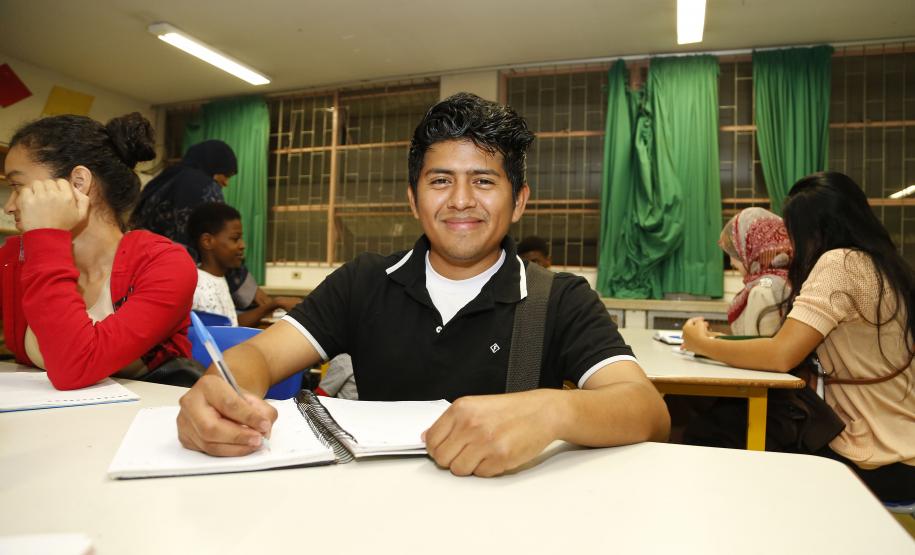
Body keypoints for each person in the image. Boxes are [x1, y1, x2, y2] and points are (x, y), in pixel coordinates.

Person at [176, 92, 670, 476]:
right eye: (439, 181)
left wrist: (553, 412)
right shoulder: (365, 281)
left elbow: (646, 409)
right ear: (413, 200)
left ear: (518, 201)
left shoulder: (557, 297)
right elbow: (260, 356)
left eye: (483, 180)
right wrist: (220, 390)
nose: (459, 200)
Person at [682, 172, 915, 501]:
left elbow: (781, 355)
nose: (790, 245)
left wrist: (702, 344)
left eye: (793, 233)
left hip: (874, 456)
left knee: (712, 434)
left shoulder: (840, 264)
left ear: (814, 232)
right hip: (904, 449)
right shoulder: (887, 265)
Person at [0, 113, 197, 390]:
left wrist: (46, 238)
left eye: (18, 186)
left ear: (78, 183)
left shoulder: (165, 265)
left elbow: (75, 365)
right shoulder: (14, 257)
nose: (9, 206)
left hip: (140, 424)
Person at [129, 139, 298, 313]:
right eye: (226, 175)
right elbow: (219, 241)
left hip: (140, 277)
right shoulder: (203, 186)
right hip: (177, 282)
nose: (226, 183)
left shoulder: (163, 181)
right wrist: (252, 292)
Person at [187, 203, 282, 327]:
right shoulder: (197, 286)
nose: (242, 245)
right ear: (207, 241)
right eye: (235, 239)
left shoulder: (218, 278)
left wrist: (274, 304)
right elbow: (217, 337)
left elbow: (232, 325)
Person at [718, 207, 792, 336]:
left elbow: (755, 352)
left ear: (753, 247)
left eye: (735, 252)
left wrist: (702, 342)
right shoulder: (791, 279)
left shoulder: (761, 291)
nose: (732, 262)